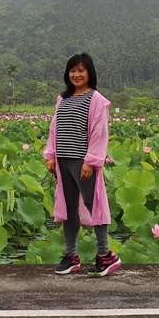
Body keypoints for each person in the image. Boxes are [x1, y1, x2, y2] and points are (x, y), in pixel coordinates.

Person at [43, 52, 121, 277]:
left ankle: (105, 256)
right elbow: (54, 128)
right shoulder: (63, 99)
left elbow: (99, 132)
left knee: (92, 204)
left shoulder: (96, 99)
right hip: (63, 161)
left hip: (82, 161)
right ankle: (71, 256)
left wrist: (91, 162)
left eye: (81, 70)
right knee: (68, 208)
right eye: (72, 70)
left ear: (89, 73)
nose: (76, 74)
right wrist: (50, 156)